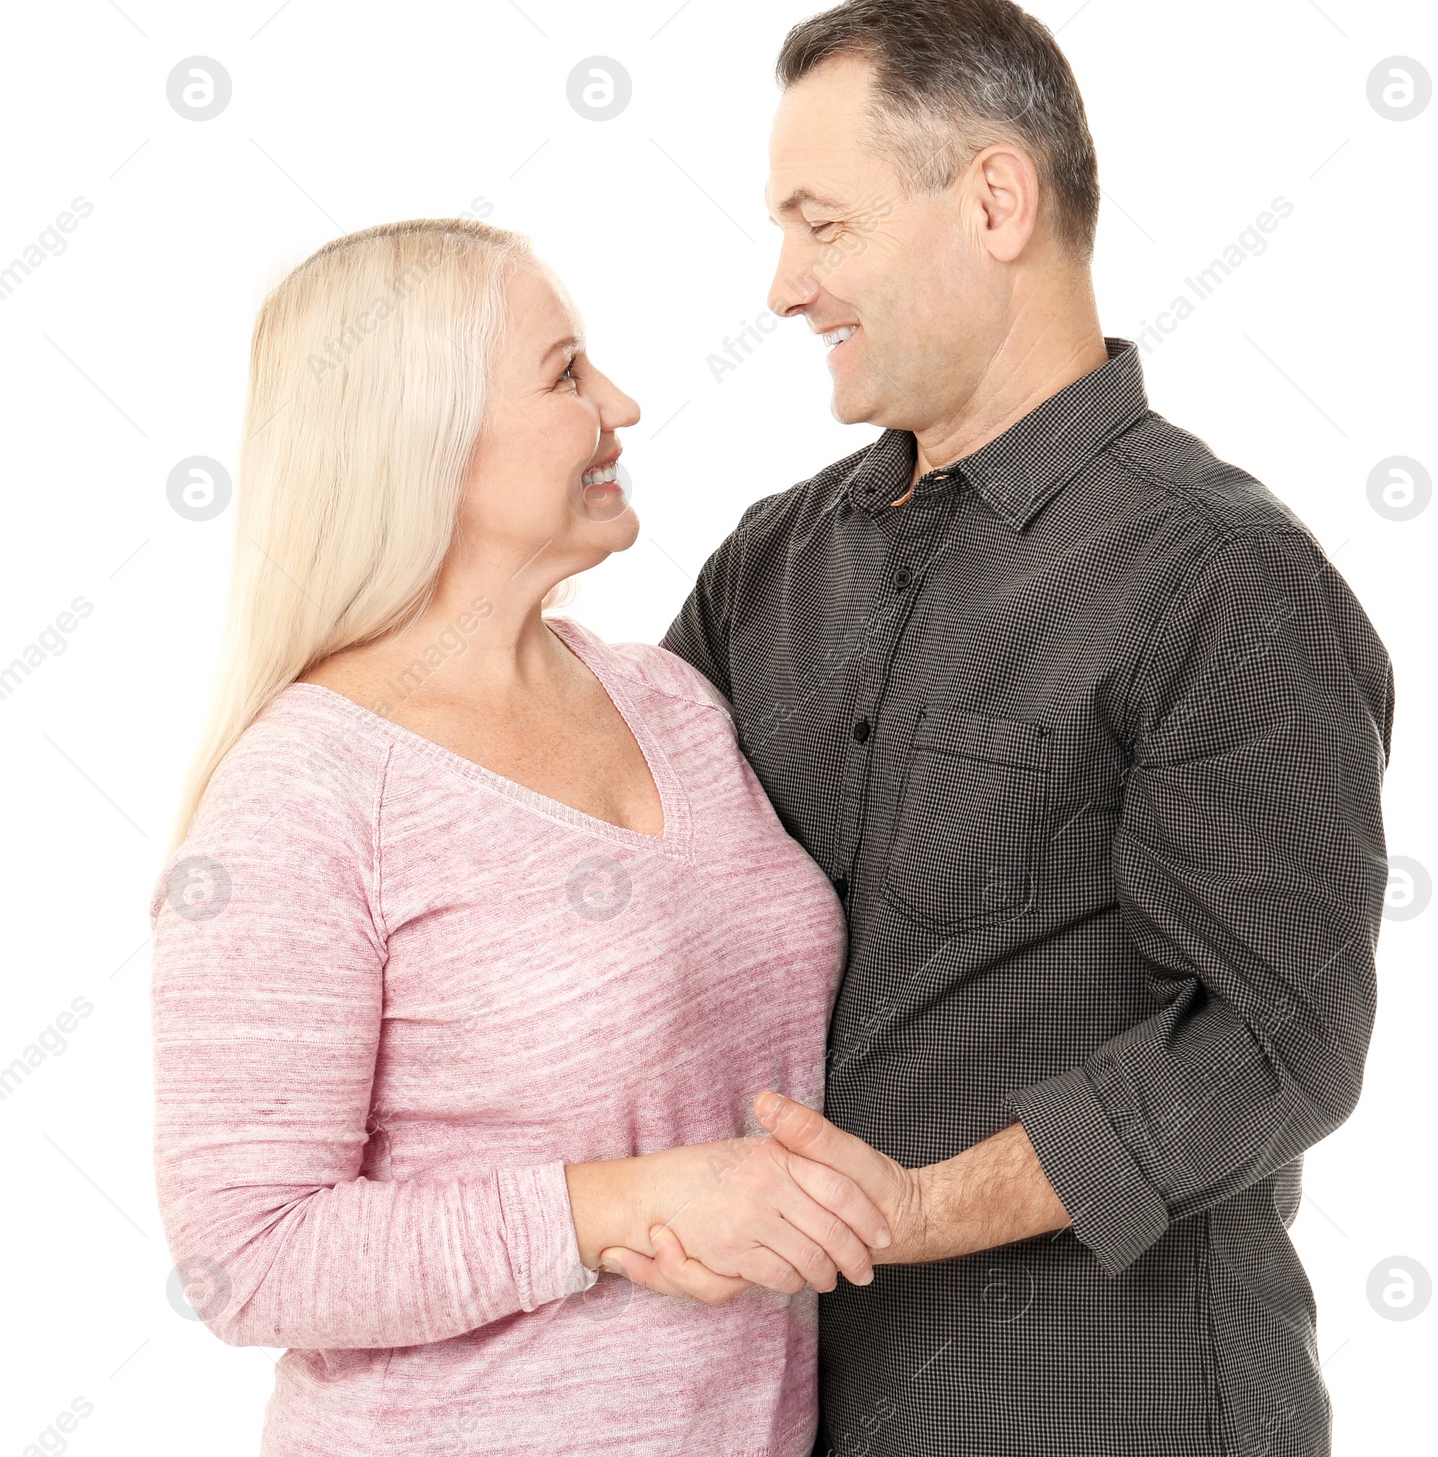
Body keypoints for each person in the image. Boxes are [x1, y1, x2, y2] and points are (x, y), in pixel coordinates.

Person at [658, 0, 1396, 1457]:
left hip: (1118, 1408)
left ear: (996, 200)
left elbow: (1279, 1044)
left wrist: (922, 1209)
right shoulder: (766, 570)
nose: (785, 286)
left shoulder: (1219, 576)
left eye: (826, 222)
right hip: (791, 1407)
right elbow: (633, 891)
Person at [150, 218, 894, 1457]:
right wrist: (613, 1207)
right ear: (422, 442)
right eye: (564, 374)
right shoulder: (306, 794)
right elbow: (246, 1255)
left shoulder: (669, 701)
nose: (623, 403)